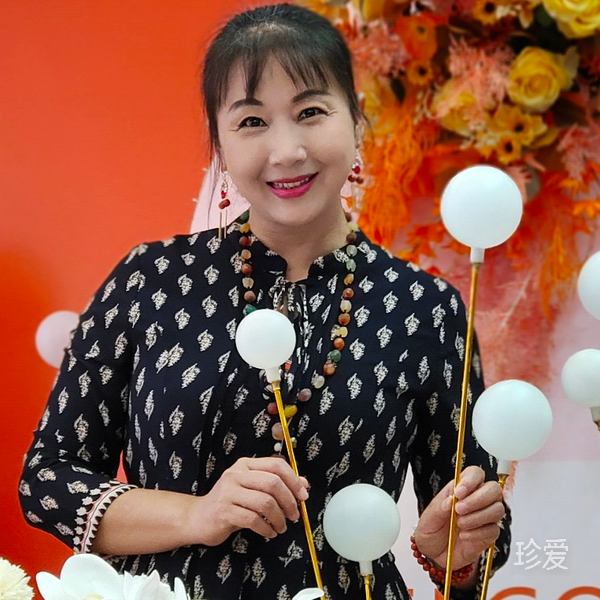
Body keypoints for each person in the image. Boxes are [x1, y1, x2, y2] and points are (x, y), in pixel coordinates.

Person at [19, 4, 510, 599]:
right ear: (220, 143)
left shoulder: (424, 307)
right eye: (251, 121)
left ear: (357, 121)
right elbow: (48, 481)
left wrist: (450, 552)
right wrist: (196, 514)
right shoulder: (150, 280)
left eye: (310, 112)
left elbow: (476, 535)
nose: (286, 151)